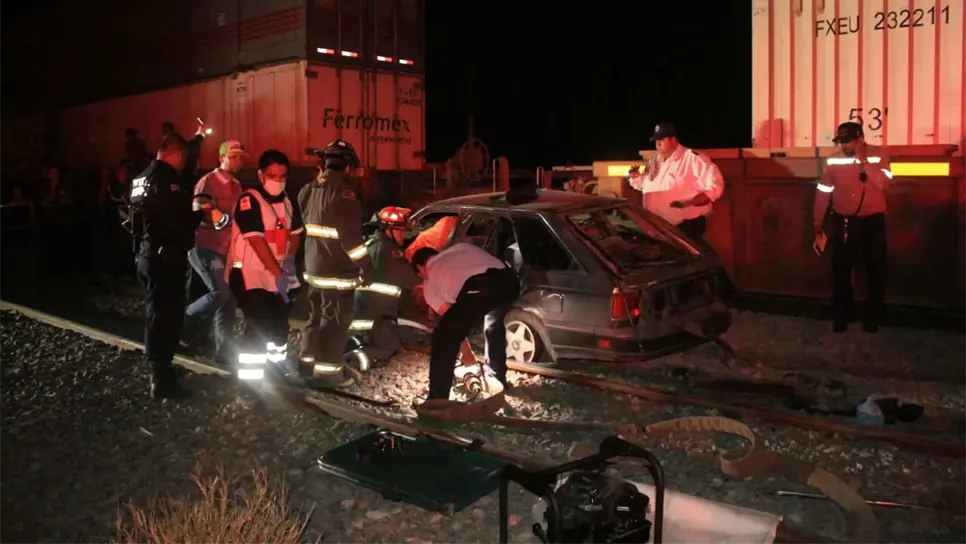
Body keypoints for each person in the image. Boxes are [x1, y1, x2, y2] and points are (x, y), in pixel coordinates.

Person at [129, 134, 220, 399]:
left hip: (146, 253)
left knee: (157, 312)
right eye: (184, 157)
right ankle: (160, 376)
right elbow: (175, 221)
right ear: (176, 154)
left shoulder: (141, 177)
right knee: (165, 316)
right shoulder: (166, 179)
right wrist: (199, 214)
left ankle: (162, 367)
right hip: (164, 257)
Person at [298, 139, 374, 388]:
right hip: (336, 272)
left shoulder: (309, 189)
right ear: (348, 167)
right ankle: (328, 375)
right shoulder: (346, 193)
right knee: (334, 324)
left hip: (314, 268)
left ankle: (306, 365)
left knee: (314, 317)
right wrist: (366, 265)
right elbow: (351, 238)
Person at [225, 149, 303, 381]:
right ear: (261, 175)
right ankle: (251, 384)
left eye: (282, 176)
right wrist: (279, 272)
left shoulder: (288, 201)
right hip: (249, 274)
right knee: (259, 325)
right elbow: (256, 240)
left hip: (275, 275)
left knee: (279, 326)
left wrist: (287, 265)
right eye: (272, 175)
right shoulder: (249, 200)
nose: (278, 181)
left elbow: (296, 234)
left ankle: (277, 371)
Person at [411, 243, 520, 404]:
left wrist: (468, 357)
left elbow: (453, 326)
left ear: (420, 268)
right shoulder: (460, 247)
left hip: (480, 286)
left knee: (444, 337)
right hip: (510, 281)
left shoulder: (429, 281)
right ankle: (498, 378)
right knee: (493, 326)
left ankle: (437, 400)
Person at [813, 121, 892, 333]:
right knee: (841, 269)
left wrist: (865, 163)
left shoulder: (879, 154)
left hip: (873, 221)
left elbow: (884, 183)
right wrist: (817, 223)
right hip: (844, 220)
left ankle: (873, 316)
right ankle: (843, 315)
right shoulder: (833, 160)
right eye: (842, 142)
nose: (845, 146)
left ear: (860, 139)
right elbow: (823, 191)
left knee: (876, 268)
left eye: (849, 141)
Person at [182, 140, 246, 363]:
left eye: (240, 156)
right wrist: (221, 219)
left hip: (226, 250)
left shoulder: (237, 185)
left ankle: (223, 352)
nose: (238, 160)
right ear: (222, 158)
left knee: (227, 302)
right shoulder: (208, 181)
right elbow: (202, 209)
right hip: (205, 247)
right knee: (221, 294)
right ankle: (183, 321)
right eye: (233, 156)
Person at [627, 122, 725, 241]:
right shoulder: (655, 161)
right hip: (657, 227)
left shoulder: (692, 159)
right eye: (656, 141)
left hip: (684, 227)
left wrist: (706, 196)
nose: (658, 144)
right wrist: (636, 177)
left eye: (662, 140)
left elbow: (715, 183)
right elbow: (648, 186)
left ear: (673, 140)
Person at [351, 206, 421, 362]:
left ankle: (359, 354)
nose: (404, 235)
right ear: (389, 230)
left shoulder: (373, 242)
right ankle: (351, 360)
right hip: (374, 313)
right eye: (401, 231)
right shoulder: (389, 251)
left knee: (381, 343)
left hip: (367, 307)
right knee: (388, 348)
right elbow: (409, 278)